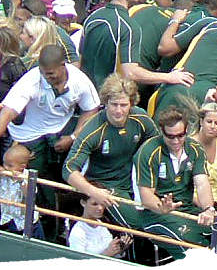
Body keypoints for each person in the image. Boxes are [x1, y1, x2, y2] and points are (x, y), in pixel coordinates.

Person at [0, 44, 100, 238]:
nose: (46, 77)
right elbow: (6, 114)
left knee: (57, 186)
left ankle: (57, 229)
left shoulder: (80, 81)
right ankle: (27, 231)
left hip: (60, 134)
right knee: (30, 189)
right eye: (43, 72)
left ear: (62, 66)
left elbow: (91, 109)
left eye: (50, 73)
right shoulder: (31, 81)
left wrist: (74, 136)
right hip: (27, 137)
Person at [62, 73, 158, 231]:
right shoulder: (93, 129)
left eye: (124, 105)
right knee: (138, 223)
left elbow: (157, 146)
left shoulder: (140, 118)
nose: (119, 111)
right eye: (114, 105)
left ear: (131, 104)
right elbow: (68, 169)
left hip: (134, 182)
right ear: (105, 103)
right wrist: (95, 192)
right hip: (104, 186)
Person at [80, 0, 194, 91]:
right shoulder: (128, 26)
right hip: (108, 97)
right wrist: (170, 77)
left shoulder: (92, 17)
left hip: (86, 93)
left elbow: (80, 57)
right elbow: (131, 73)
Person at [134, 106, 216, 259]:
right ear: (161, 131)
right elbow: (146, 195)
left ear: (187, 130)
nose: (176, 140)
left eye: (180, 135)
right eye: (170, 136)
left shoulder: (195, 148)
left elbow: (202, 183)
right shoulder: (148, 152)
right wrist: (162, 207)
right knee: (194, 249)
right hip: (155, 215)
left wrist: (208, 209)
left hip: (187, 209)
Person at [0, 144, 45, 239]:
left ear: (22, 166)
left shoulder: (28, 176)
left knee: (35, 246)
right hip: (10, 219)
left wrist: (20, 181)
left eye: (10, 165)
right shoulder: (2, 177)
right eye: (4, 163)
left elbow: (29, 195)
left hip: (29, 222)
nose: (6, 167)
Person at [68, 182, 133, 257]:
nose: (100, 208)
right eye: (94, 204)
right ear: (83, 203)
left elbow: (113, 255)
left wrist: (119, 249)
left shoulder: (103, 225)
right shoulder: (78, 231)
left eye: (102, 203)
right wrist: (107, 254)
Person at [190, 102, 217, 210]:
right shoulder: (189, 145)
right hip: (192, 200)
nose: (212, 126)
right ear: (201, 121)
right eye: (209, 121)